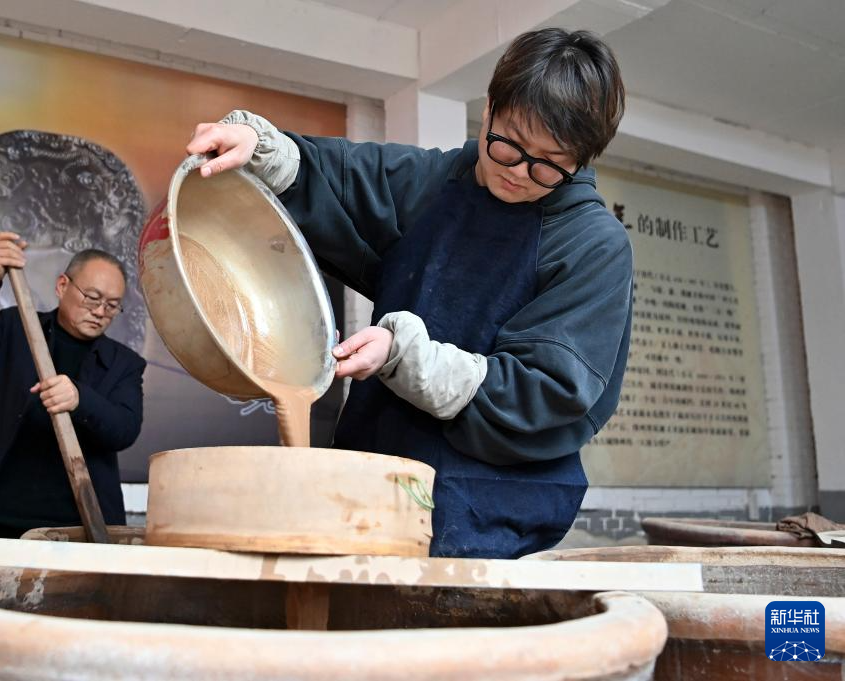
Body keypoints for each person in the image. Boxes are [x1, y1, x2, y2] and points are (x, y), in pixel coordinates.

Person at [186, 28, 631, 558]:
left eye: (548, 163)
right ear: (489, 108)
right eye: (509, 144)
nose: (518, 172)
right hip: (375, 475)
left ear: (581, 159)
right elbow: (338, 177)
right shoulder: (435, 182)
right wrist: (261, 148)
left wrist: (407, 357)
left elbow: (548, 388)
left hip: (488, 504)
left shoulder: (591, 245)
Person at [0, 233, 147, 537]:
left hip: (70, 530)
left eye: (112, 305)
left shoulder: (124, 363)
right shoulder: (17, 327)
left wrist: (80, 400)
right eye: (92, 298)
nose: (100, 311)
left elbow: (125, 429)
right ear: (62, 286)